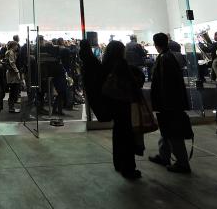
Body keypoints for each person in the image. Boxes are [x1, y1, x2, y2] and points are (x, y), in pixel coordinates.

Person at [79, 39, 141, 179]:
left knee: (118, 134)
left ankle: (118, 163)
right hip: (124, 105)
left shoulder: (104, 65)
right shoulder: (121, 64)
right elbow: (131, 85)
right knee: (126, 137)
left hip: (113, 105)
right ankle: (128, 168)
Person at [149, 33, 192, 174]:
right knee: (167, 131)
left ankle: (182, 163)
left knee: (173, 133)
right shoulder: (170, 57)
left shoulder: (164, 59)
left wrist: (162, 103)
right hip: (171, 103)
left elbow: (164, 84)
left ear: (156, 44)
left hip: (169, 104)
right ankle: (164, 156)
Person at [4, 41, 21, 113]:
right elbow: (12, 63)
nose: (17, 47)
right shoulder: (10, 52)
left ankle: (11, 107)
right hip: (12, 74)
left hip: (11, 74)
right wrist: (17, 71)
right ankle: (11, 107)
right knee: (13, 91)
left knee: (13, 91)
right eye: (16, 45)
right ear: (13, 46)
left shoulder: (9, 52)